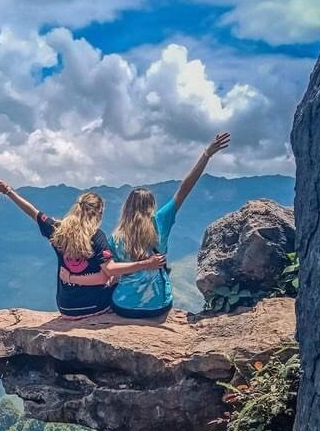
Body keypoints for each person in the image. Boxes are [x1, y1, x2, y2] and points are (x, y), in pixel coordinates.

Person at [59, 132, 231, 318]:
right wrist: (206, 154)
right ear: (151, 206)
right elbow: (184, 189)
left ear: (127, 208)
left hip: (124, 306)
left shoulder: (116, 238)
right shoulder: (160, 222)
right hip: (159, 305)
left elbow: (113, 272)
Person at [0, 180, 166, 319]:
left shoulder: (58, 229)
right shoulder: (97, 236)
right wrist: (146, 263)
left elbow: (33, 212)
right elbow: (108, 271)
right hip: (93, 306)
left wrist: (8, 191)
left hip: (66, 307)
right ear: (99, 212)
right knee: (122, 284)